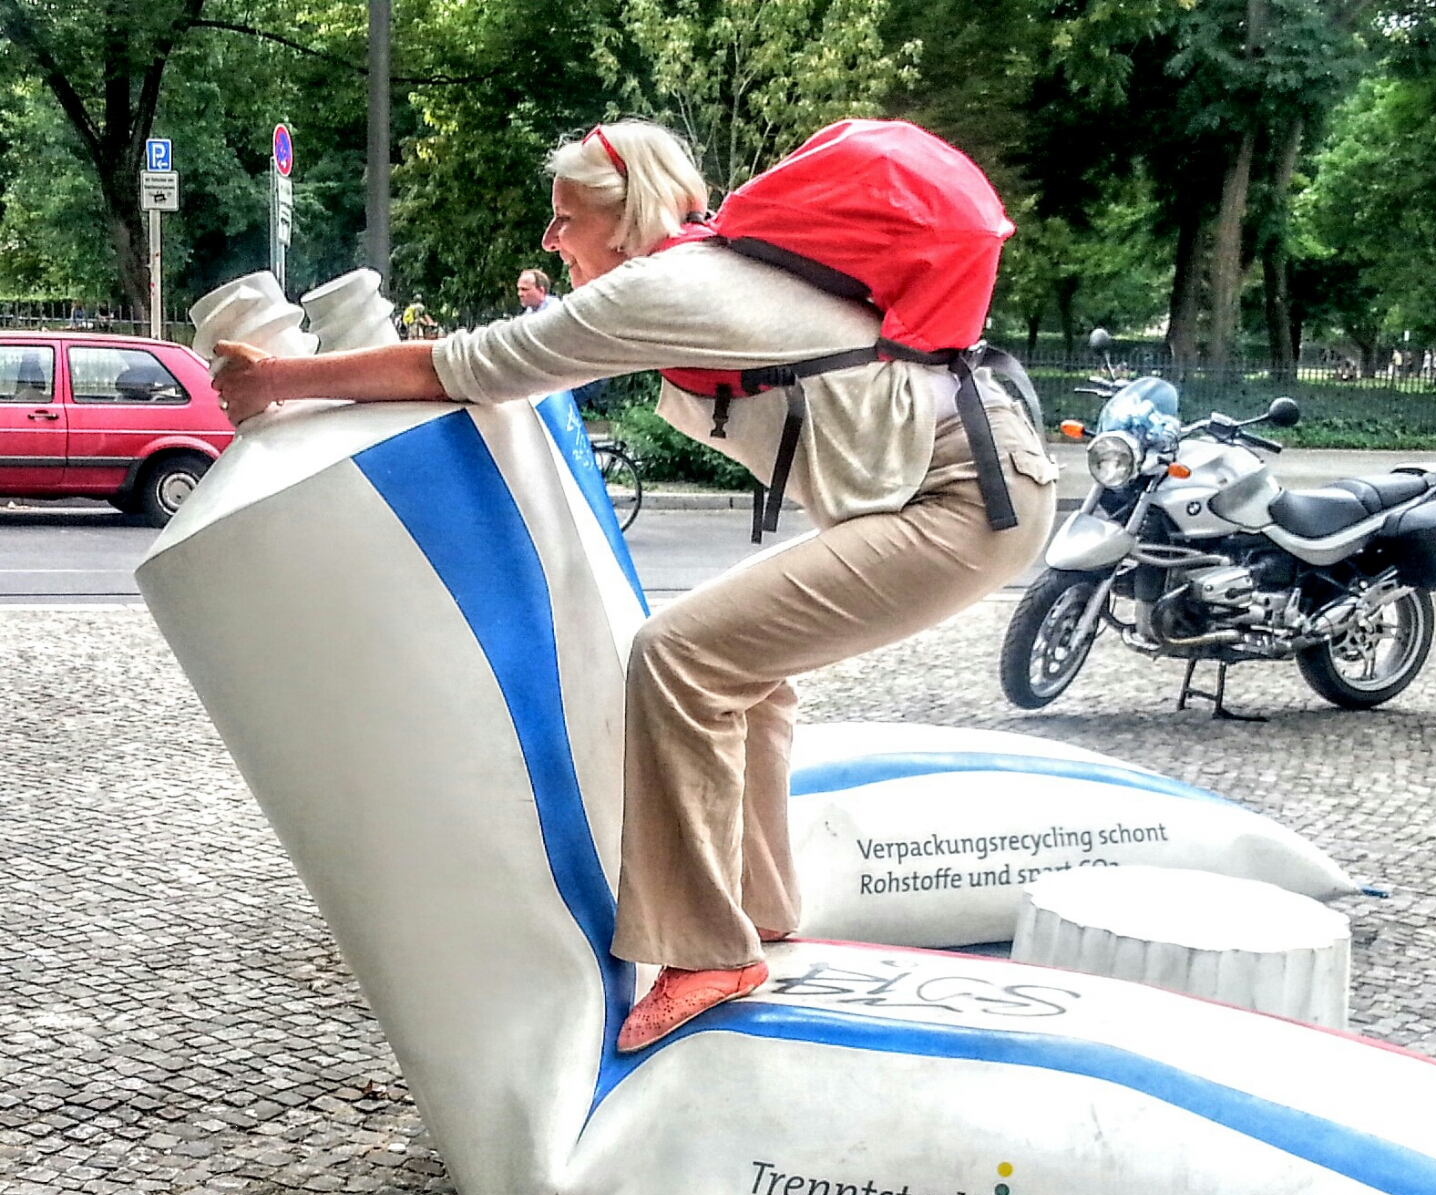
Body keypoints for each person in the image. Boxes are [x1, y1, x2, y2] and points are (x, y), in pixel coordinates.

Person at [211, 118, 1058, 1051]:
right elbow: (502, 360)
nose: (551, 238)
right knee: (740, 667)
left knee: (679, 656)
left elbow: (465, 369)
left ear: (622, 221)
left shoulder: (672, 285)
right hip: (980, 482)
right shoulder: (701, 272)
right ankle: (758, 905)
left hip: (964, 502)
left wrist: (280, 378)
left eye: (565, 217)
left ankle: (706, 952)